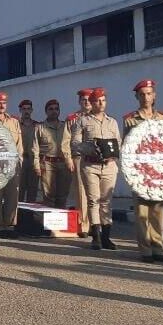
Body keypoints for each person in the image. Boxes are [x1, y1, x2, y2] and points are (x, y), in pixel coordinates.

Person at [123, 80, 163, 262]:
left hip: (158, 172)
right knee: (142, 213)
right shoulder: (130, 120)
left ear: (154, 95)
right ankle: (145, 250)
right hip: (140, 171)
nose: (146, 97)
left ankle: (158, 248)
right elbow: (126, 148)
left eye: (149, 93)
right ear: (137, 97)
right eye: (142, 94)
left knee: (158, 212)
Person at [74, 88, 120, 250]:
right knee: (93, 200)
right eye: (97, 101)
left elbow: (117, 143)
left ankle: (107, 236)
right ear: (92, 103)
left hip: (109, 166)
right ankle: (96, 236)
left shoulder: (112, 122)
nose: (101, 104)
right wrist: (91, 149)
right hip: (90, 164)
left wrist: (112, 154)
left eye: (103, 100)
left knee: (106, 201)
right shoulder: (83, 121)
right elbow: (75, 144)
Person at [0, 92, 23, 237]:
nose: (2, 106)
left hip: (12, 164)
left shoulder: (14, 122)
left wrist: (19, 160)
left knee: (12, 195)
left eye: (4, 103)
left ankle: (10, 224)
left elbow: (19, 144)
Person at [31, 99, 72, 209]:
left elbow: (70, 145)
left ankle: (60, 223)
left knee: (62, 196)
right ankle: (49, 224)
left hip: (63, 164)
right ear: (46, 111)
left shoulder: (65, 126)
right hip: (47, 164)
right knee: (49, 196)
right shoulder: (40, 127)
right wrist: (36, 166)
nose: (54, 111)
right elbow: (35, 148)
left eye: (56, 109)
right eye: (51, 109)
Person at [66, 89, 93, 236]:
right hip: (79, 158)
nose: (87, 102)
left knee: (96, 193)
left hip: (96, 160)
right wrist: (68, 158)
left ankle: (95, 224)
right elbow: (66, 141)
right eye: (84, 100)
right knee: (81, 192)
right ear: (79, 101)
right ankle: (83, 225)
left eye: (89, 99)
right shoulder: (72, 119)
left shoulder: (99, 117)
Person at [17, 99, 40, 203]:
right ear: (20, 110)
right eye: (24, 109)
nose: (26, 111)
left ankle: (30, 217)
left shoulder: (37, 126)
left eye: (28, 109)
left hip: (33, 161)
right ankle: (18, 216)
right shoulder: (16, 125)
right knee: (19, 191)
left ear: (32, 110)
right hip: (20, 161)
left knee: (33, 190)